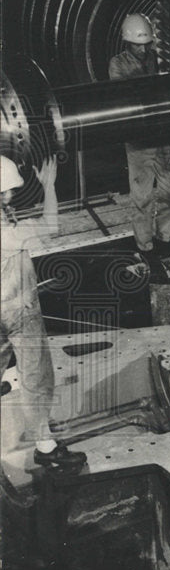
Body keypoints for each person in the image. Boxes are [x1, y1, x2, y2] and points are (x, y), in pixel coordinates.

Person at [0, 155, 85, 471]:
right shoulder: (5, 232)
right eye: (6, 192)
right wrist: (49, 186)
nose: (9, 196)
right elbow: (52, 226)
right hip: (18, 310)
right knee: (36, 375)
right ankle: (45, 447)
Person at [109, 14, 170, 261]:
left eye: (147, 43)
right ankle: (144, 247)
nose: (143, 48)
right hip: (139, 143)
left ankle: (165, 239)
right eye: (138, 44)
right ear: (127, 42)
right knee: (142, 199)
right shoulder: (118, 64)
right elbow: (126, 94)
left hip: (164, 138)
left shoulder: (160, 60)